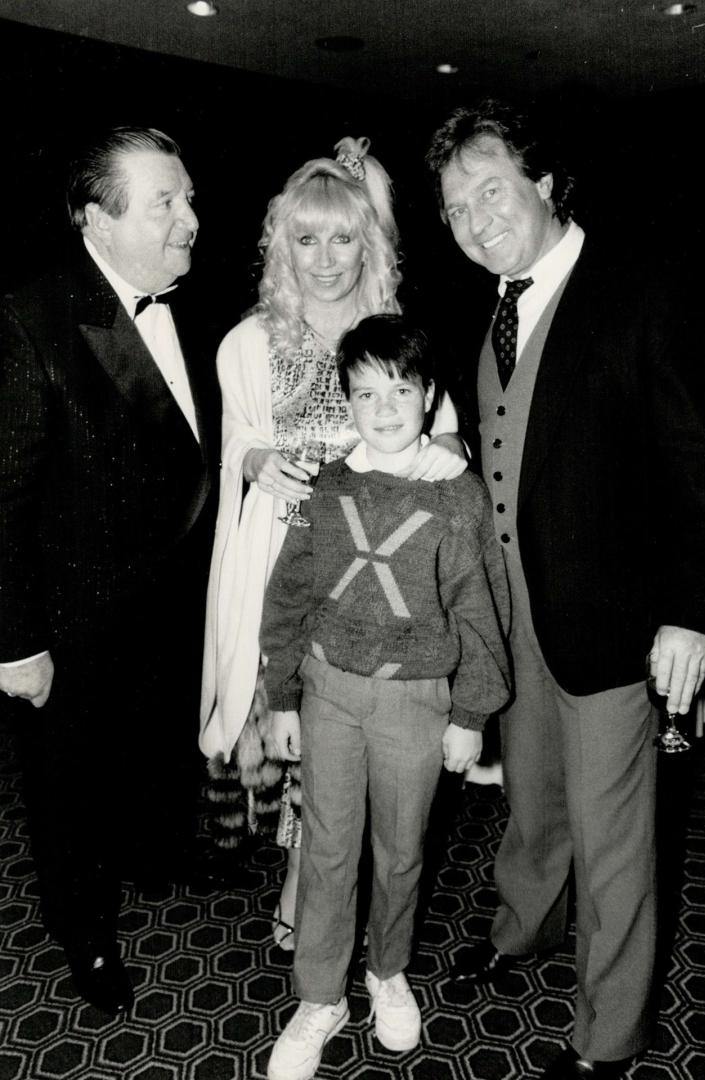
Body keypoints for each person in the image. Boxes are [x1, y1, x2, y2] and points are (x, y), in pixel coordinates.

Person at [425, 99, 705, 1079]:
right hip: (514, 620)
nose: (473, 221)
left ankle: (606, 1035)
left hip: (614, 625)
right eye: (454, 209)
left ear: (545, 183)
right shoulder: (495, 303)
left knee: (611, 841)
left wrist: (691, 609)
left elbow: (703, 460)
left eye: (489, 192)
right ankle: (523, 931)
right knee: (533, 804)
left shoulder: (641, 288)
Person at [199, 138, 466, 949]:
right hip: (279, 565)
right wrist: (254, 457)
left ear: (369, 243)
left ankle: (309, 888)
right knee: (296, 730)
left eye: (341, 237)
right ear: (281, 244)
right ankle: (307, 880)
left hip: (373, 580)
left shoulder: (395, 338)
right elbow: (236, 438)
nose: (323, 258)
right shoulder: (247, 342)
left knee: (346, 737)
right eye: (305, 239)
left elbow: (448, 444)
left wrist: (401, 463)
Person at [0, 126, 220, 1014]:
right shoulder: (32, 315)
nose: (191, 220)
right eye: (166, 201)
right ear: (98, 218)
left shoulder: (193, 309)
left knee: (146, 761)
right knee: (68, 791)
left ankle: (157, 854)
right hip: (74, 620)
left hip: (168, 607)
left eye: (190, 197)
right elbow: (2, 497)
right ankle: (82, 933)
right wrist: (14, 642)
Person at [261, 314, 510, 1080]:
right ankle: (320, 996)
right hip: (329, 693)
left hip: (416, 701)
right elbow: (289, 591)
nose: (384, 407)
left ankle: (387, 972)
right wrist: (279, 696)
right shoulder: (318, 487)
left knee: (400, 853)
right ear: (346, 400)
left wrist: (471, 714)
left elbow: (480, 610)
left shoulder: (458, 499)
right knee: (328, 850)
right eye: (364, 392)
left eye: (400, 389)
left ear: (429, 397)